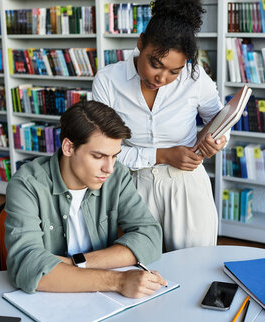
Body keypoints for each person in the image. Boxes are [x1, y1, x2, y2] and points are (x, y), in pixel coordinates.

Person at [92, 0, 226, 251]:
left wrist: (216, 139)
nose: (162, 78)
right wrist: (162, 155)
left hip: (187, 187)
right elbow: (101, 150)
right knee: (142, 268)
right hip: (134, 187)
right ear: (140, 43)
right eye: (155, 64)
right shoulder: (108, 81)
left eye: (174, 71)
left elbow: (219, 119)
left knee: (195, 265)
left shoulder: (195, 78)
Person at [4, 100, 166, 297]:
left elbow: (150, 236)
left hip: (102, 296)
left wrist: (78, 262)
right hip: (49, 298)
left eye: (114, 156)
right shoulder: (26, 184)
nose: (109, 168)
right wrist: (119, 281)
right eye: (98, 156)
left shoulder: (117, 176)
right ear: (68, 148)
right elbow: (26, 264)